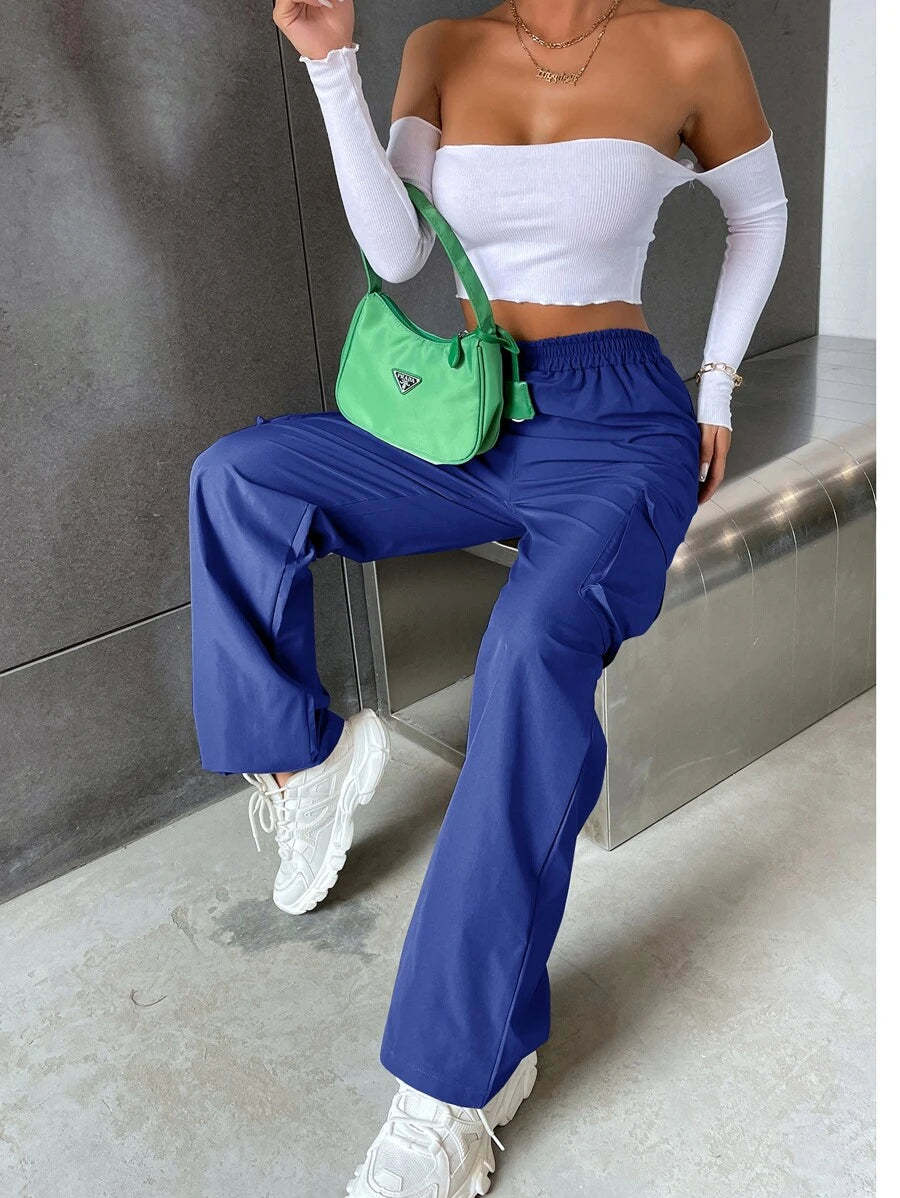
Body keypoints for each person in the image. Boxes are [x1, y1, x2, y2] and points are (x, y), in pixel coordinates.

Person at [188, 1, 788, 1193]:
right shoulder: (441, 48)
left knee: (528, 649)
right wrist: (331, 69)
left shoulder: (689, 45)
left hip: (619, 425)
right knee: (240, 478)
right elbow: (399, 254)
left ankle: (455, 1082)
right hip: (471, 406)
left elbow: (757, 214)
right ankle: (306, 761)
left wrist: (716, 385)